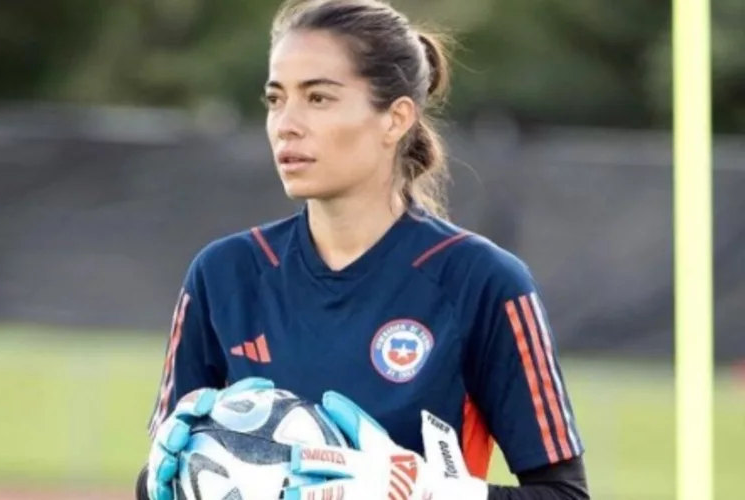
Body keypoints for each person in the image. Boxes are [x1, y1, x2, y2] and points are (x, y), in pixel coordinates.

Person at [137, 0, 590, 499]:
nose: (286, 123)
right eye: (275, 99)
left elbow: (564, 494)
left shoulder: (484, 282)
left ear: (395, 119)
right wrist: (160, 476)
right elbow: (165, 474)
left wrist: (422, 492)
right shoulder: (223, 275)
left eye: (318, 99)